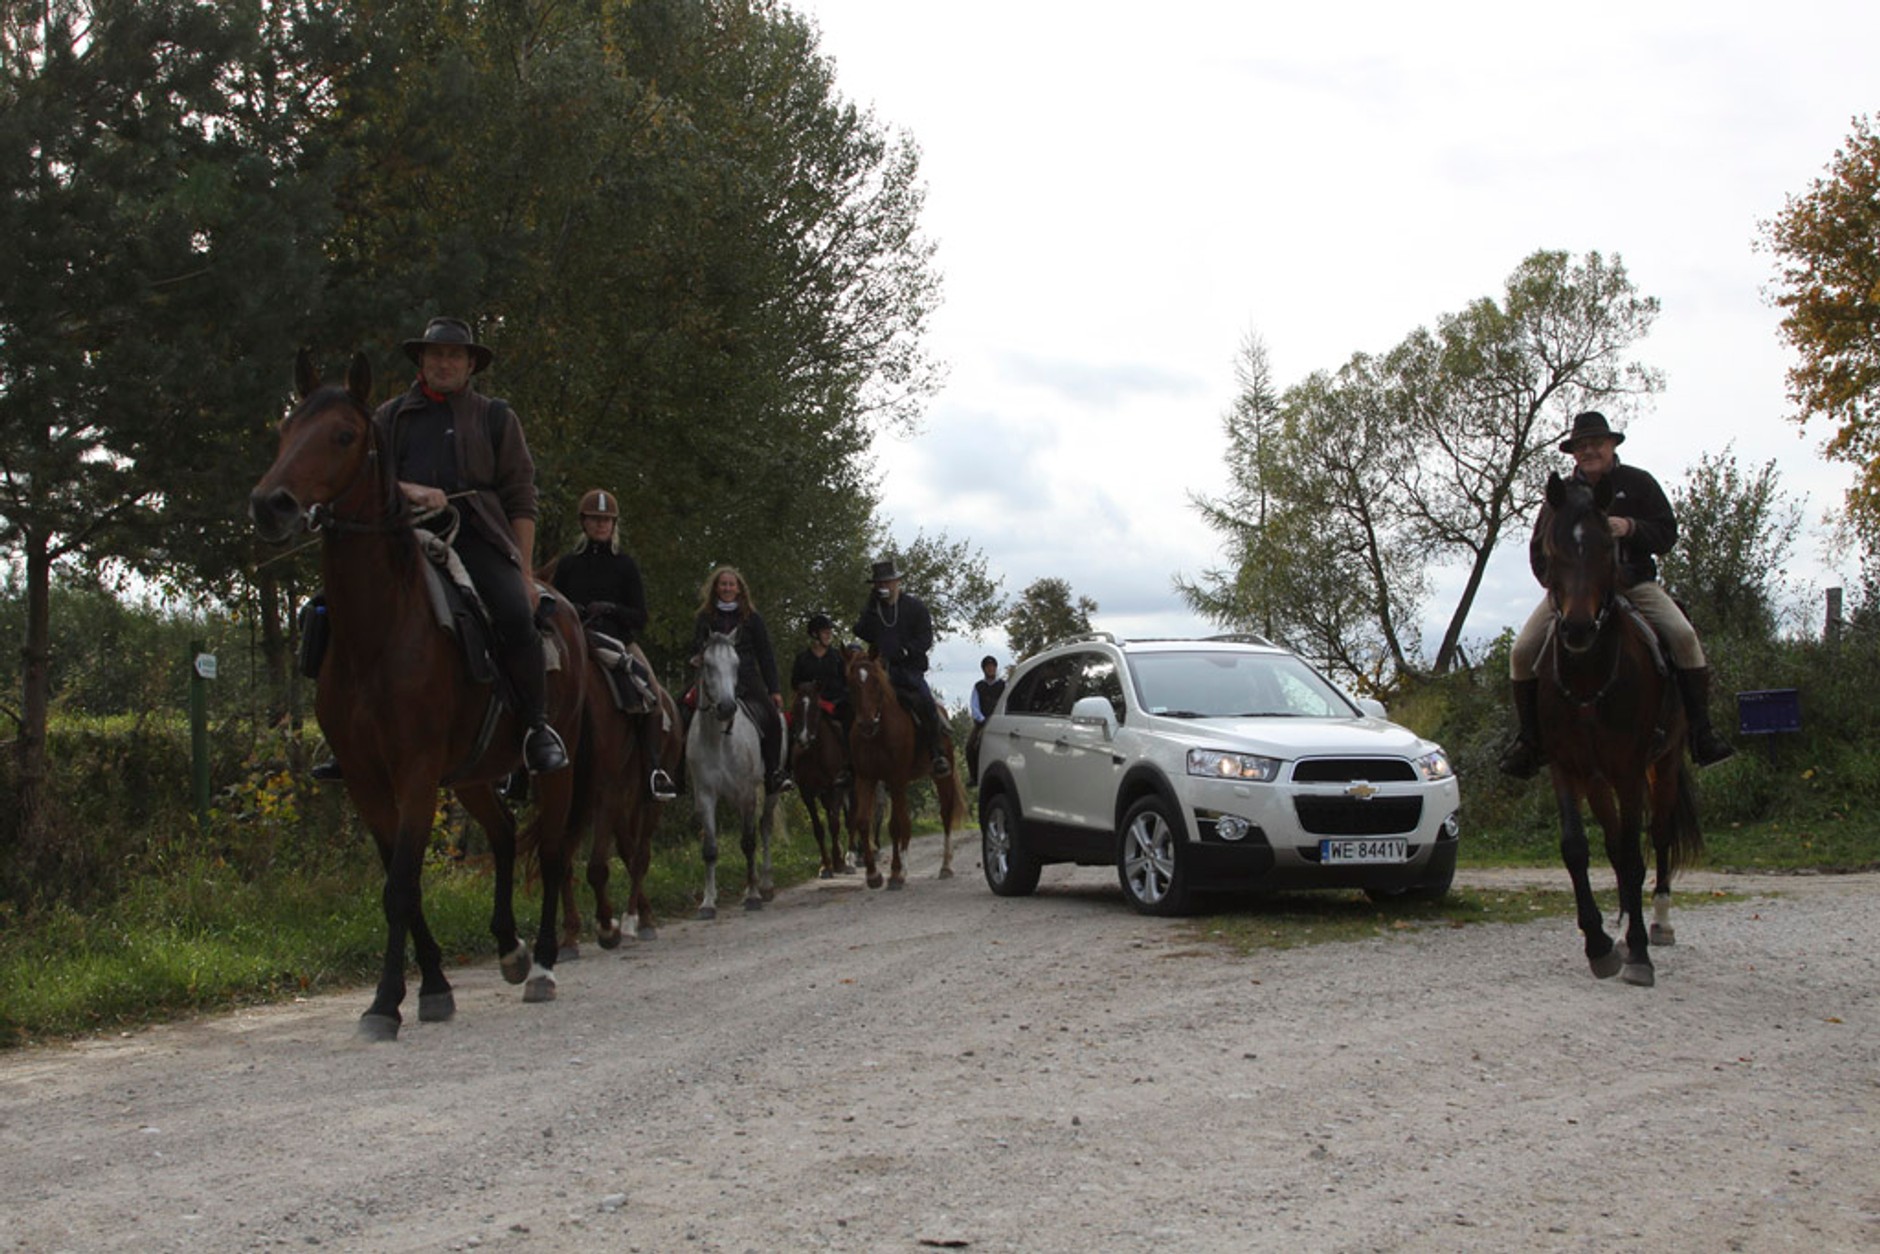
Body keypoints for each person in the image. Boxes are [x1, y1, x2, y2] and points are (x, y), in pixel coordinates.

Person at [312, 316, 567, 780]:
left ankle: (536, 727)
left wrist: (525, 572)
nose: (444, 363)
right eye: (436, 355)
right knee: (324, 611)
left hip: (476, 536)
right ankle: (340, 734)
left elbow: (521, 497)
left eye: (454, 355)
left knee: (514, 612)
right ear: (422, 361)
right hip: (400, 536)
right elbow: (362, 475)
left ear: (470, 365)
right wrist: (410, 490)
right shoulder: (388, 416)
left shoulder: (495, 417)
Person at [1499, 411, 1736, 778]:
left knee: (1684, 637)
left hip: (1636, 585)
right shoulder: (1559, 496)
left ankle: (1702, 734)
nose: (1589, 451)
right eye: (1581, 446)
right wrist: (1561, 591)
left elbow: (1667, 534)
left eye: (1596, 443)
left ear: (1611, 445)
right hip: (1574, 597)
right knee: (1521, 652)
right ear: (1573, 453)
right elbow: (1538, 551)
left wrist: (1631, 527)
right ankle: (1530, 742)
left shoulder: (1638, 483)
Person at [551, 488, 677, 801]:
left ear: (614, 524)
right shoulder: (568, 565)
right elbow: (551, 606)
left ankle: (654, 771)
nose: (601, 524)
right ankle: (517, 770)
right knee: (534, 674)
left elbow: (640, 617)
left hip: (618, 640)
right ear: (583, 522)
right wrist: (571, 610)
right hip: (574, 640)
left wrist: (611, 609)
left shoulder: (625, 565)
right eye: (595, 519)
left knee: (653, 696)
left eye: (606, 520)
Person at [688, 565, 793, 794]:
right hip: (712, 678)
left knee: (772, 718)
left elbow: (765, 654)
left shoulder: (752, 618)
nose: (727, 588)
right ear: (716, 588)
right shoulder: (705, 617)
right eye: (723, 584)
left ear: (739, 589)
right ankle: (676, 774)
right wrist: (698, 657)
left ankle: (774, 773)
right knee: (681, 710)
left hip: (745, 676)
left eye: (731, 584)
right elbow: (695, 646)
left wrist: (774, 689)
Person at [853, 557, 950, 776]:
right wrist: (871, 606)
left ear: (897, 582)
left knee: (925, 701)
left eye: (887, 582)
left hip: (909, 670)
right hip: (881, 671)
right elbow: (860, 631)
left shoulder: (915, 607)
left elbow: (926, 638)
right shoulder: (874, 610)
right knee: (859, 701)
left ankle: (937, 753)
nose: (883, 586)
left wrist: (907, 650)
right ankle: (851, 763)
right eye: (879, 583)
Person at [791, 613, 853, 781]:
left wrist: (834, 700)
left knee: (849, 723)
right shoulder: (802, 659)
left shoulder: (837, 657)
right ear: (815, 635)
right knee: (788, 725)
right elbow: (795, 684)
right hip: (809, 704)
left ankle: (850, 767)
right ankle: (785, 770)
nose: (829, 635)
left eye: (829, 632)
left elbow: (845, 683)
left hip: (834, 704)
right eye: (825, 632)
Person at [964, 654, 1006, 787]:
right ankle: (974, 776)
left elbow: (1006, 702)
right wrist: (982, 719)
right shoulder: (978, 686)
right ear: (984, 670)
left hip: (1000, 721)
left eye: (992, 666)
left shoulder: (1003, 685)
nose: (990, 669)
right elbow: (974, 706)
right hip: (982, 723)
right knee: (970, 746)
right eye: (988, 667)